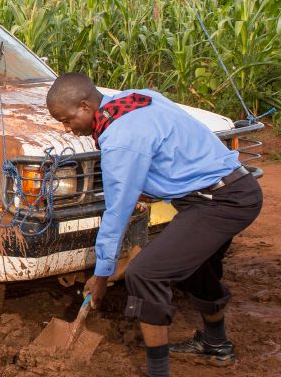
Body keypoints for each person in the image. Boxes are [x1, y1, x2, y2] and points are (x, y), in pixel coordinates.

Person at [45, 73, 262, 377]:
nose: (67, 128)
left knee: (145, 274)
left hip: (220, 200)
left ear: (85, 106)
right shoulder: (135, 98)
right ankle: (216, 345)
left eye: (67, 120)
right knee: (195, 267)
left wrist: (102, 276)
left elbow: (116, 213)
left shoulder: (120, 139)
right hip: (231, 190)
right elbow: (167, 143)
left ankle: (157, 372)